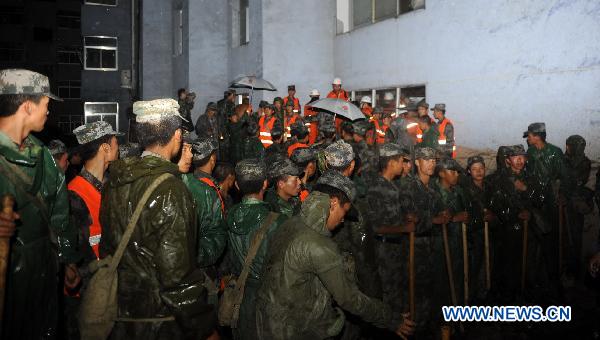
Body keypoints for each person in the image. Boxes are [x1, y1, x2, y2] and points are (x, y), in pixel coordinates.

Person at [100, 98, 217, 339]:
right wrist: (204, 327)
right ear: (176, 135)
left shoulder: (115, 180)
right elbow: (178, 276)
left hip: (121, 315)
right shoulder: (171, 190)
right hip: (159, 321)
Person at [256, 170, 415, 339]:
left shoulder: (291, 223)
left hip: (269, 322)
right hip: (293, 330)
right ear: (332, 203)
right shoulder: (318, 245)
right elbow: (349, 299)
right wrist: (391, 319)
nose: (342, 220)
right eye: (344, 212)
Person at [0, 68, 79, 339]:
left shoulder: (44, 158)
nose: (49, 112)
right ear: (26, 106)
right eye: (46, 104)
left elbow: (60, 217)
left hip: (43, 280)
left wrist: (67, 261)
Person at [64, 121, 122, 338]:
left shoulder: (110, 187)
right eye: (116, 142)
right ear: (105, 148)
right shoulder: (74, 194)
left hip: (107, 287)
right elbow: (78, 257)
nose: (119, 147)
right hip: (88, 296)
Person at [225, 159, 289, 340]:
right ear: (265, 184)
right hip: (268, 298)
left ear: (237, 185)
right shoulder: (278, 221)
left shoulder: (229, 215)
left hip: (239, 297)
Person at [397, 146, 451, 336]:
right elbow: (408, 219)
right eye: (426, 160)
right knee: (413, 293)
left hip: (432, 248)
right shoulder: (408, 187)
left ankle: (427, 327)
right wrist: (433, 219)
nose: (431, 164)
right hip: (413, 248)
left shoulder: (434, 189)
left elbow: (440, 212)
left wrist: (444, 214)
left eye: (434, 160)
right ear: (417, 162)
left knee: (431, 290)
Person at [367, 144, 417, 337]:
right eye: (402, 161)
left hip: (396, 251)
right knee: (388, 300)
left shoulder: (392, 186)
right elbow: (375, 228)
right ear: (392, 162)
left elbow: (391, 219)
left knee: (399, 297)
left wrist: (406, 220)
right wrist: (404, 228)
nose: (404, 165)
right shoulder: (376, 188)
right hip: (383, 253)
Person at [488, 145, 534, 303]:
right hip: (506, 230)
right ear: (508, 160)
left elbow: (539, 200)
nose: (520, 160)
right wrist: (515, 215)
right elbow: (495, 204)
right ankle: (505, 297)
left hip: (527, 229)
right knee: (506, 263)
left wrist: (526, 189)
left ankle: (523, 293)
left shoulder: (530, 177)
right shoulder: (500, 179)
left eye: (522, 157)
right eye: (516, 157)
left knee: (526, 261)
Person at [182, 137, 227, 268]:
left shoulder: (186, 179)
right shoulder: (210, 191)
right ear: (212, 159)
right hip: (201, 263)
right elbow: (216, 232)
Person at [433, 158, 470, 310]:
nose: (456, 175)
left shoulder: (459, 191)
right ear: (441, 173)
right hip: (440, 246)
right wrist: (453, 218)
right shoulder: (432, 193)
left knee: (458, 280)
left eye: (457, 172)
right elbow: (430, 220)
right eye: (452, 171)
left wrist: (466, 217)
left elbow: (468, 212)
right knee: (442, 284)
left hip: (458, 243)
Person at [460, 155, 495, 303]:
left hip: (490, 234)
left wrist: (492, 216)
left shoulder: (490, 187)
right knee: (473, 268)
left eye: (481, 168)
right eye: (474, 169)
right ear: (469, 171)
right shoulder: (465, 190)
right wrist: (481, 218)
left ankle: (486, 295)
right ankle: (471, 299)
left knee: (489, 266)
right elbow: (466, 216)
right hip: (473, 237)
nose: (479, 172)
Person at [560, 135, 592, 279]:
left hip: (574, 204)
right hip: (561, 204)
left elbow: (578, 181)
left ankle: (573, 271)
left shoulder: (584, 162)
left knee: (575, 237)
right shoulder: (562, 160)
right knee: (561, 237)